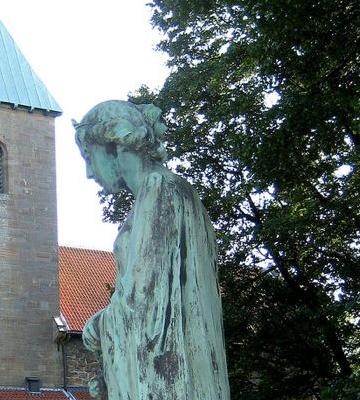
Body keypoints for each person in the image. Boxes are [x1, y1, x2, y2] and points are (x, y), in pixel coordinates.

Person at [73, 100, 230, 399]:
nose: (89, 173)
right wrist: (110, 373)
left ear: (113, 146)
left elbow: (143, 302)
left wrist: (94, 329)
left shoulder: (160, 190)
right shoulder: (172, 192)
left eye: (88, 157)